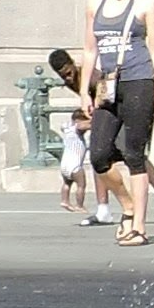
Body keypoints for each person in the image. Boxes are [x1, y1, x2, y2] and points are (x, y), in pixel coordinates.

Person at [90, 0, 154, 241]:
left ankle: (139, 226)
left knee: (135, 153)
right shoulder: (95, 3)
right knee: (98, 154)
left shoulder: (146, 3)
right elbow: (89, 49)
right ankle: (127, 205)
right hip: (108, 83)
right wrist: (85, 92)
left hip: (139, 80)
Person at [47, 46, 95, 222]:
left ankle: (65, 200)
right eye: (63, 77)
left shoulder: (89, 76)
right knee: (81, 184)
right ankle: (80, 205)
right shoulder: (78, 126)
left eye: (68, 73)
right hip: (75, 166)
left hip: (65, 165)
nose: (67, 79)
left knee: (67, 184)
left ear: (72, 63)